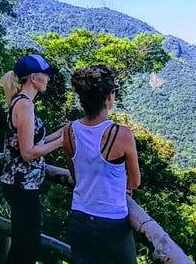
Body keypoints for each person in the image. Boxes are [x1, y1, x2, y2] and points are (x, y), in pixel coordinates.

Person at [62, 65, 140, 264]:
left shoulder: (69, 131)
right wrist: (125, 186)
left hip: (79, 217)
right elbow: (135, 181)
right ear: (109, 97)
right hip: (111, 222)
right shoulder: (121, 134)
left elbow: (76, 174)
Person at [0, 54, 63, 264]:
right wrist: (62, 143)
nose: (49, 79)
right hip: (21, 185)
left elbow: (37, 140)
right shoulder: (25, 106)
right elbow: (28, 152)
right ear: (33, 78)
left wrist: (66, 131)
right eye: (46, 74)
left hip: (18, 183)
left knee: (21, 244)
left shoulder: (20, 102)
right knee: (27, 248)